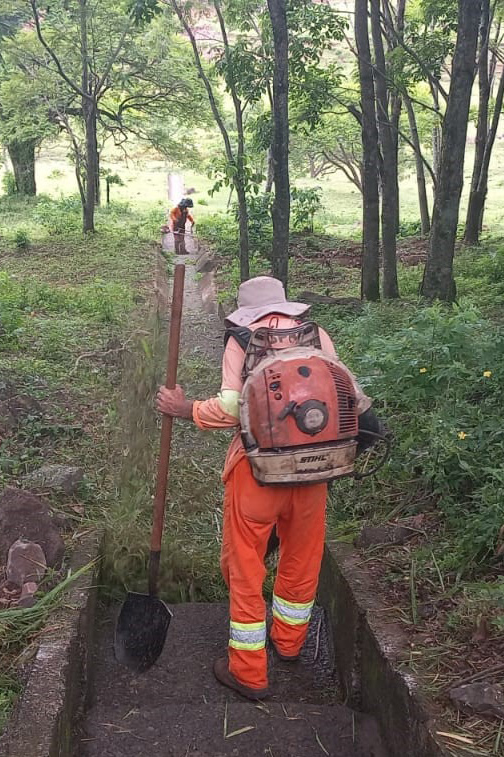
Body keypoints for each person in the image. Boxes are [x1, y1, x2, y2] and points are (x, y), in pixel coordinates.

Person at [155, 276, 381, 701]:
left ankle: (249, 671)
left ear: (244, 312)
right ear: (285, 305)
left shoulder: (244, 340)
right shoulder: (316, 335)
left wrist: (185, 409)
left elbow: (229, 409)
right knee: (302, 555)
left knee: (245, 566)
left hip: (257, 472)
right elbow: (345, 396)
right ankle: (290, 642)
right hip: (315, 471)